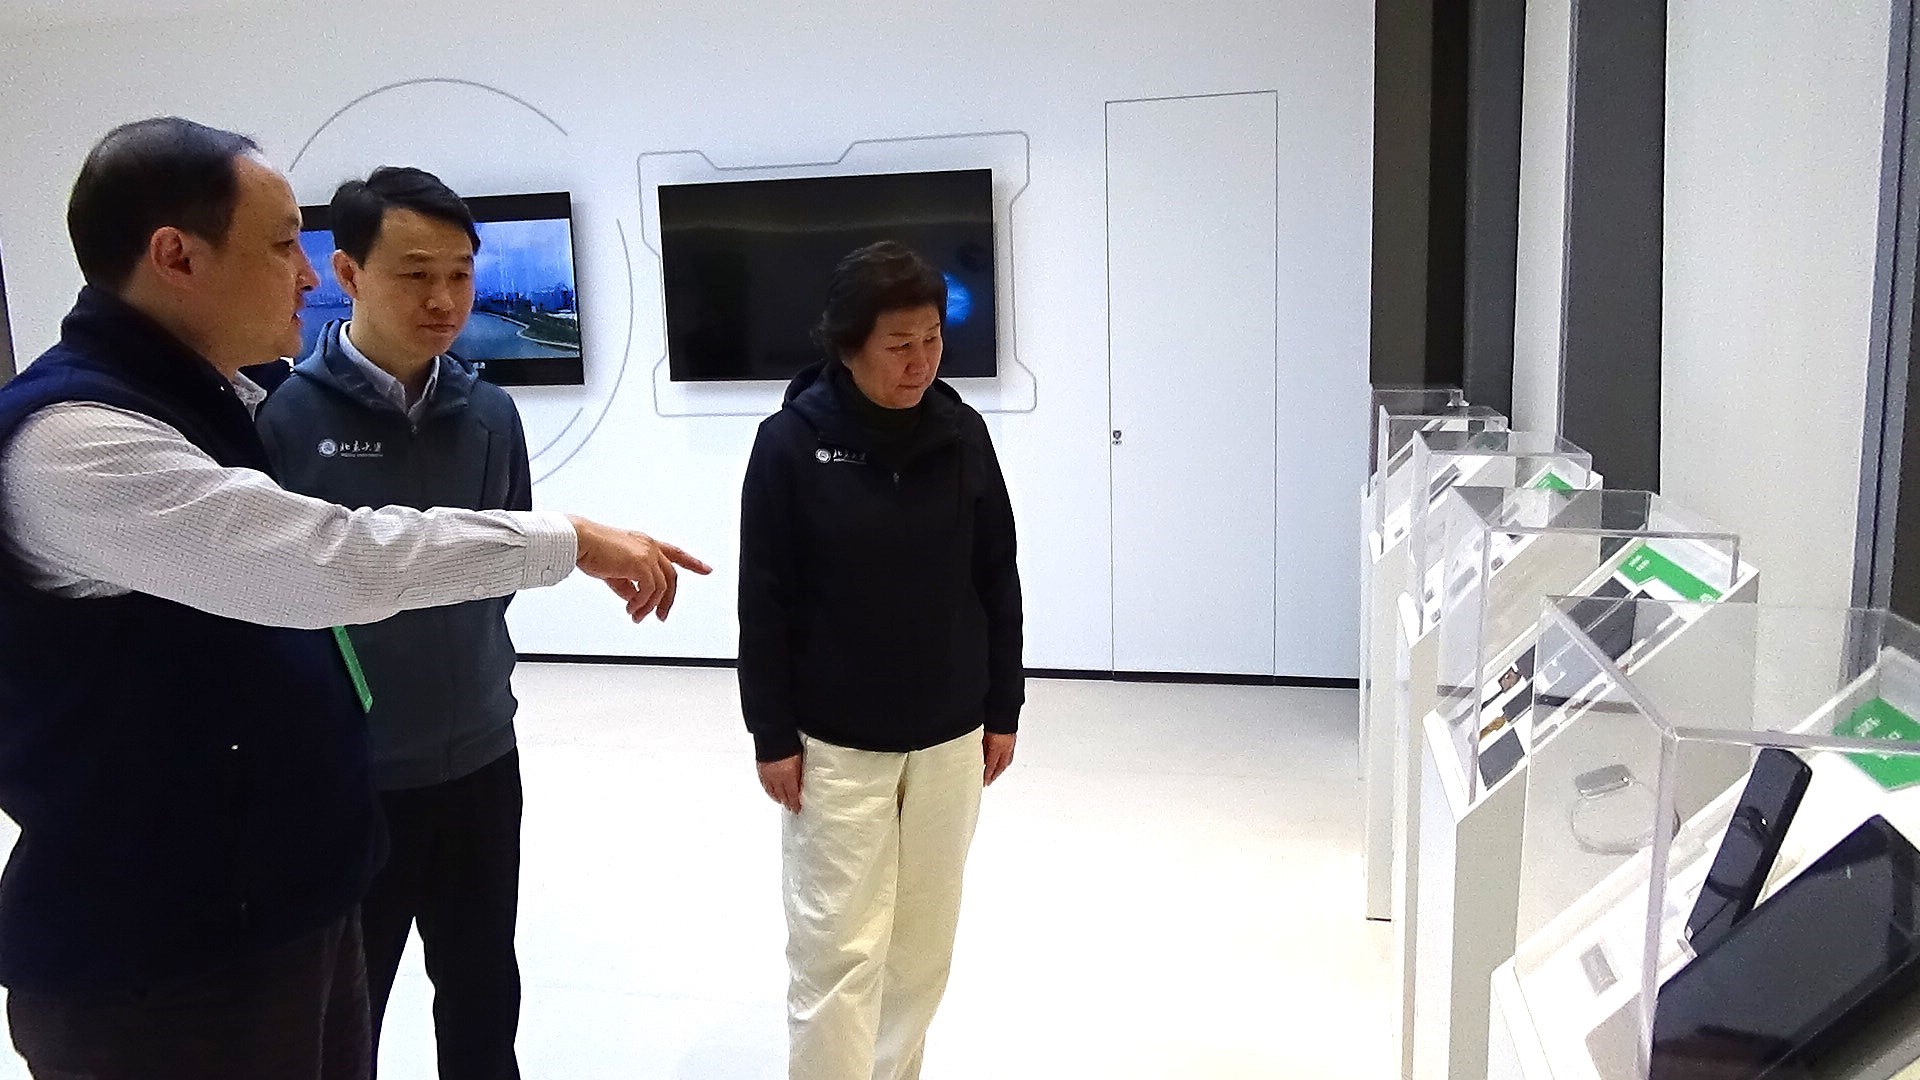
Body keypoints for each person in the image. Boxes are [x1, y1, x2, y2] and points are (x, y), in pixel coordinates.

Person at [0, 116, 708, 1080]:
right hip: (163, 952)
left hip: (293, 889)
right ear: (176, 256)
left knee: (477, 990)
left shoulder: (232, 403)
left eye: (460, 273)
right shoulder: (81, 439)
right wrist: (570, 540)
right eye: (283, 244)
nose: (303, 274)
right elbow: (324, 562)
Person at [254, 166, 530, 1079]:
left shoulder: (490, 414)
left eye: (459, 274)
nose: (443, 300)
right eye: (416, 274)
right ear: (347, 272)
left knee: (483, 995)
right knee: (344, 1014)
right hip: (351, 773)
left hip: (482, 757)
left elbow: (506, 558)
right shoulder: (284, 419)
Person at [737, 240, 1024, 1080]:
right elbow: (764, 599)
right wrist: (771, 733)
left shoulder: (963, 433)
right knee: (838, 947)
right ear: (848, 344)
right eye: (899, 345)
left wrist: (1003, 708)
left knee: (922, 947)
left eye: (932, 339)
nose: (920, 361)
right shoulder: (789, 445)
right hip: (835, 742)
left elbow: (996, 575)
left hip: (949, 736)